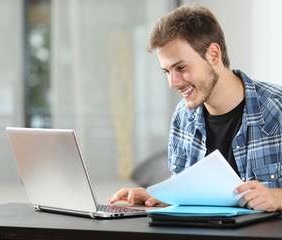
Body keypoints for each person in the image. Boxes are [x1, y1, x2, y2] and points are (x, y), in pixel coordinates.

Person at [108, 4, 282, 212]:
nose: (173, 83)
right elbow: (187, 195)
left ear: (214, 55)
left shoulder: (276, 108)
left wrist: (277, 197)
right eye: (167, 71)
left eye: (181, 68)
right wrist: (159, 197)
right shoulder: (183, 118)